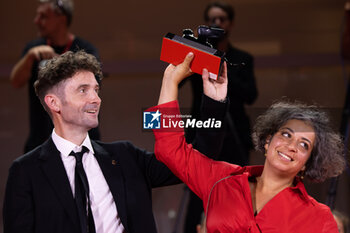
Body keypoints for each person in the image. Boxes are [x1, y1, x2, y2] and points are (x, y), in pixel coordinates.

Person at [3, 51, 227, 233]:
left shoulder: (126, 156)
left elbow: (194, 160)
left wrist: (214, 103)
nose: (96, 99)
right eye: (83, 90)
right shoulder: (25, 171)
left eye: (96, 90)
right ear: (54, 103)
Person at [148, 52, 346, 232]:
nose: (291, 146)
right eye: (286, 134)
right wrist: (170, 81)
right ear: (268, 140)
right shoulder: (221, 180)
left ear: (308, 162)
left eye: (304, 145)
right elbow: (168, 149)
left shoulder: (320, 219)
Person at [182, 2, 258, 231]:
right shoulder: (198, 54)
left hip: (234, 134)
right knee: (198, 192)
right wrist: (196, 52)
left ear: (230, 23)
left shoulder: (243, 57)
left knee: (237, 190)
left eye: (222, 19)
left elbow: (251, 95)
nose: (217, 24)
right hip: (204, 132)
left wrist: (223, 68)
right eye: (212, 20)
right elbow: (179, 78)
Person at [10, 0, 100, 152]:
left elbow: (91, 89)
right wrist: (29, 57)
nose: (36, 21)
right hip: (41, 139)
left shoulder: (85, 49)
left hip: (81, 141)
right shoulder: (34, 48)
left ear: (61, 19)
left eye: (43, 16)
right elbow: (16, 82)